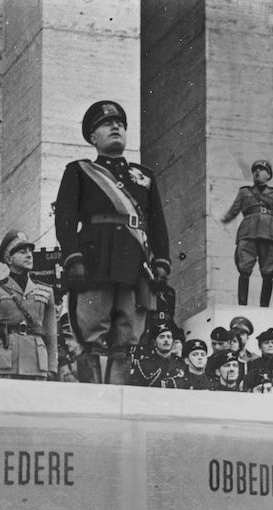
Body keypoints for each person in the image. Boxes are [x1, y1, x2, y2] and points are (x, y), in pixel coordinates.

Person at [54, 100, 170, 383]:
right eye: (107, 124)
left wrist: (162, 263)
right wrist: (73, 258)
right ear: (93, 138)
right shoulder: (79, 171)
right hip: (95, 264)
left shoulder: (144, 177)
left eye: (120, 123)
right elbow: (65, 220)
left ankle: (118, 397)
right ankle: (92, 398)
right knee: (92, 333)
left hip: (134, 265)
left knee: (126, 338)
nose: (115, 126)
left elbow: (157, 225)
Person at [0, 230, 58, 381]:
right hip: (2, 361)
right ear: (9, 258)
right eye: (22, 251)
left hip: (37, 364)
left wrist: (52, 366)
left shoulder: (46, 291)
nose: (29, 255)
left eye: (30, 251)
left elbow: (51, 334)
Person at [219, 159, 273, 306]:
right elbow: (234, 210)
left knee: (268, 271)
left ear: (268, 175)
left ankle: (264, 307)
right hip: (248, 232)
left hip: (269, 233)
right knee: (244, 268)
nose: (257, 172)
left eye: (261, 169)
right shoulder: (244, 192)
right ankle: (242, 305)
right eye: (255, 169)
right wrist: (223, 218)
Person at [129, 319, 184, 388]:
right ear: (154, 342)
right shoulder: (142, 365)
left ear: (173, 342)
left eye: (169, 337)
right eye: (162, 337)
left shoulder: (182, 365)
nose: (166, 340)